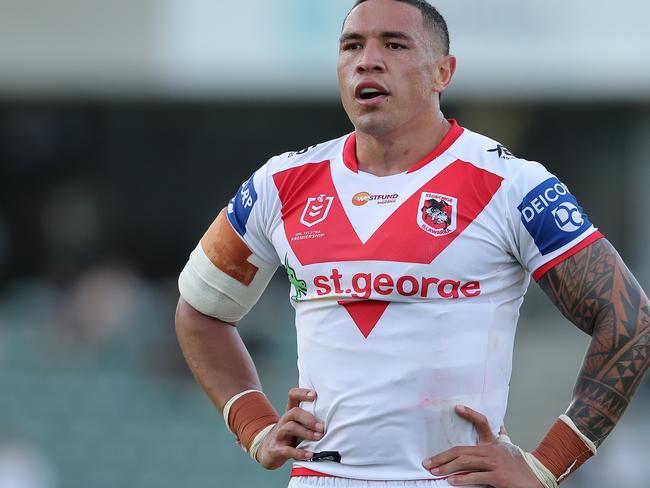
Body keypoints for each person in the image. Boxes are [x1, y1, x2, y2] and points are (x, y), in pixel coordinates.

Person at [175, 0, 650, 487]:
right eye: (352, 46)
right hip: (322, 477)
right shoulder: (282, 183)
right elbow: (201, 310)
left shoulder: (511, 184)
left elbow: (629, 320)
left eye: (394, 45)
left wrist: (549, 462)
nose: (368, 60)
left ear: (443, 72)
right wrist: (253, 424)